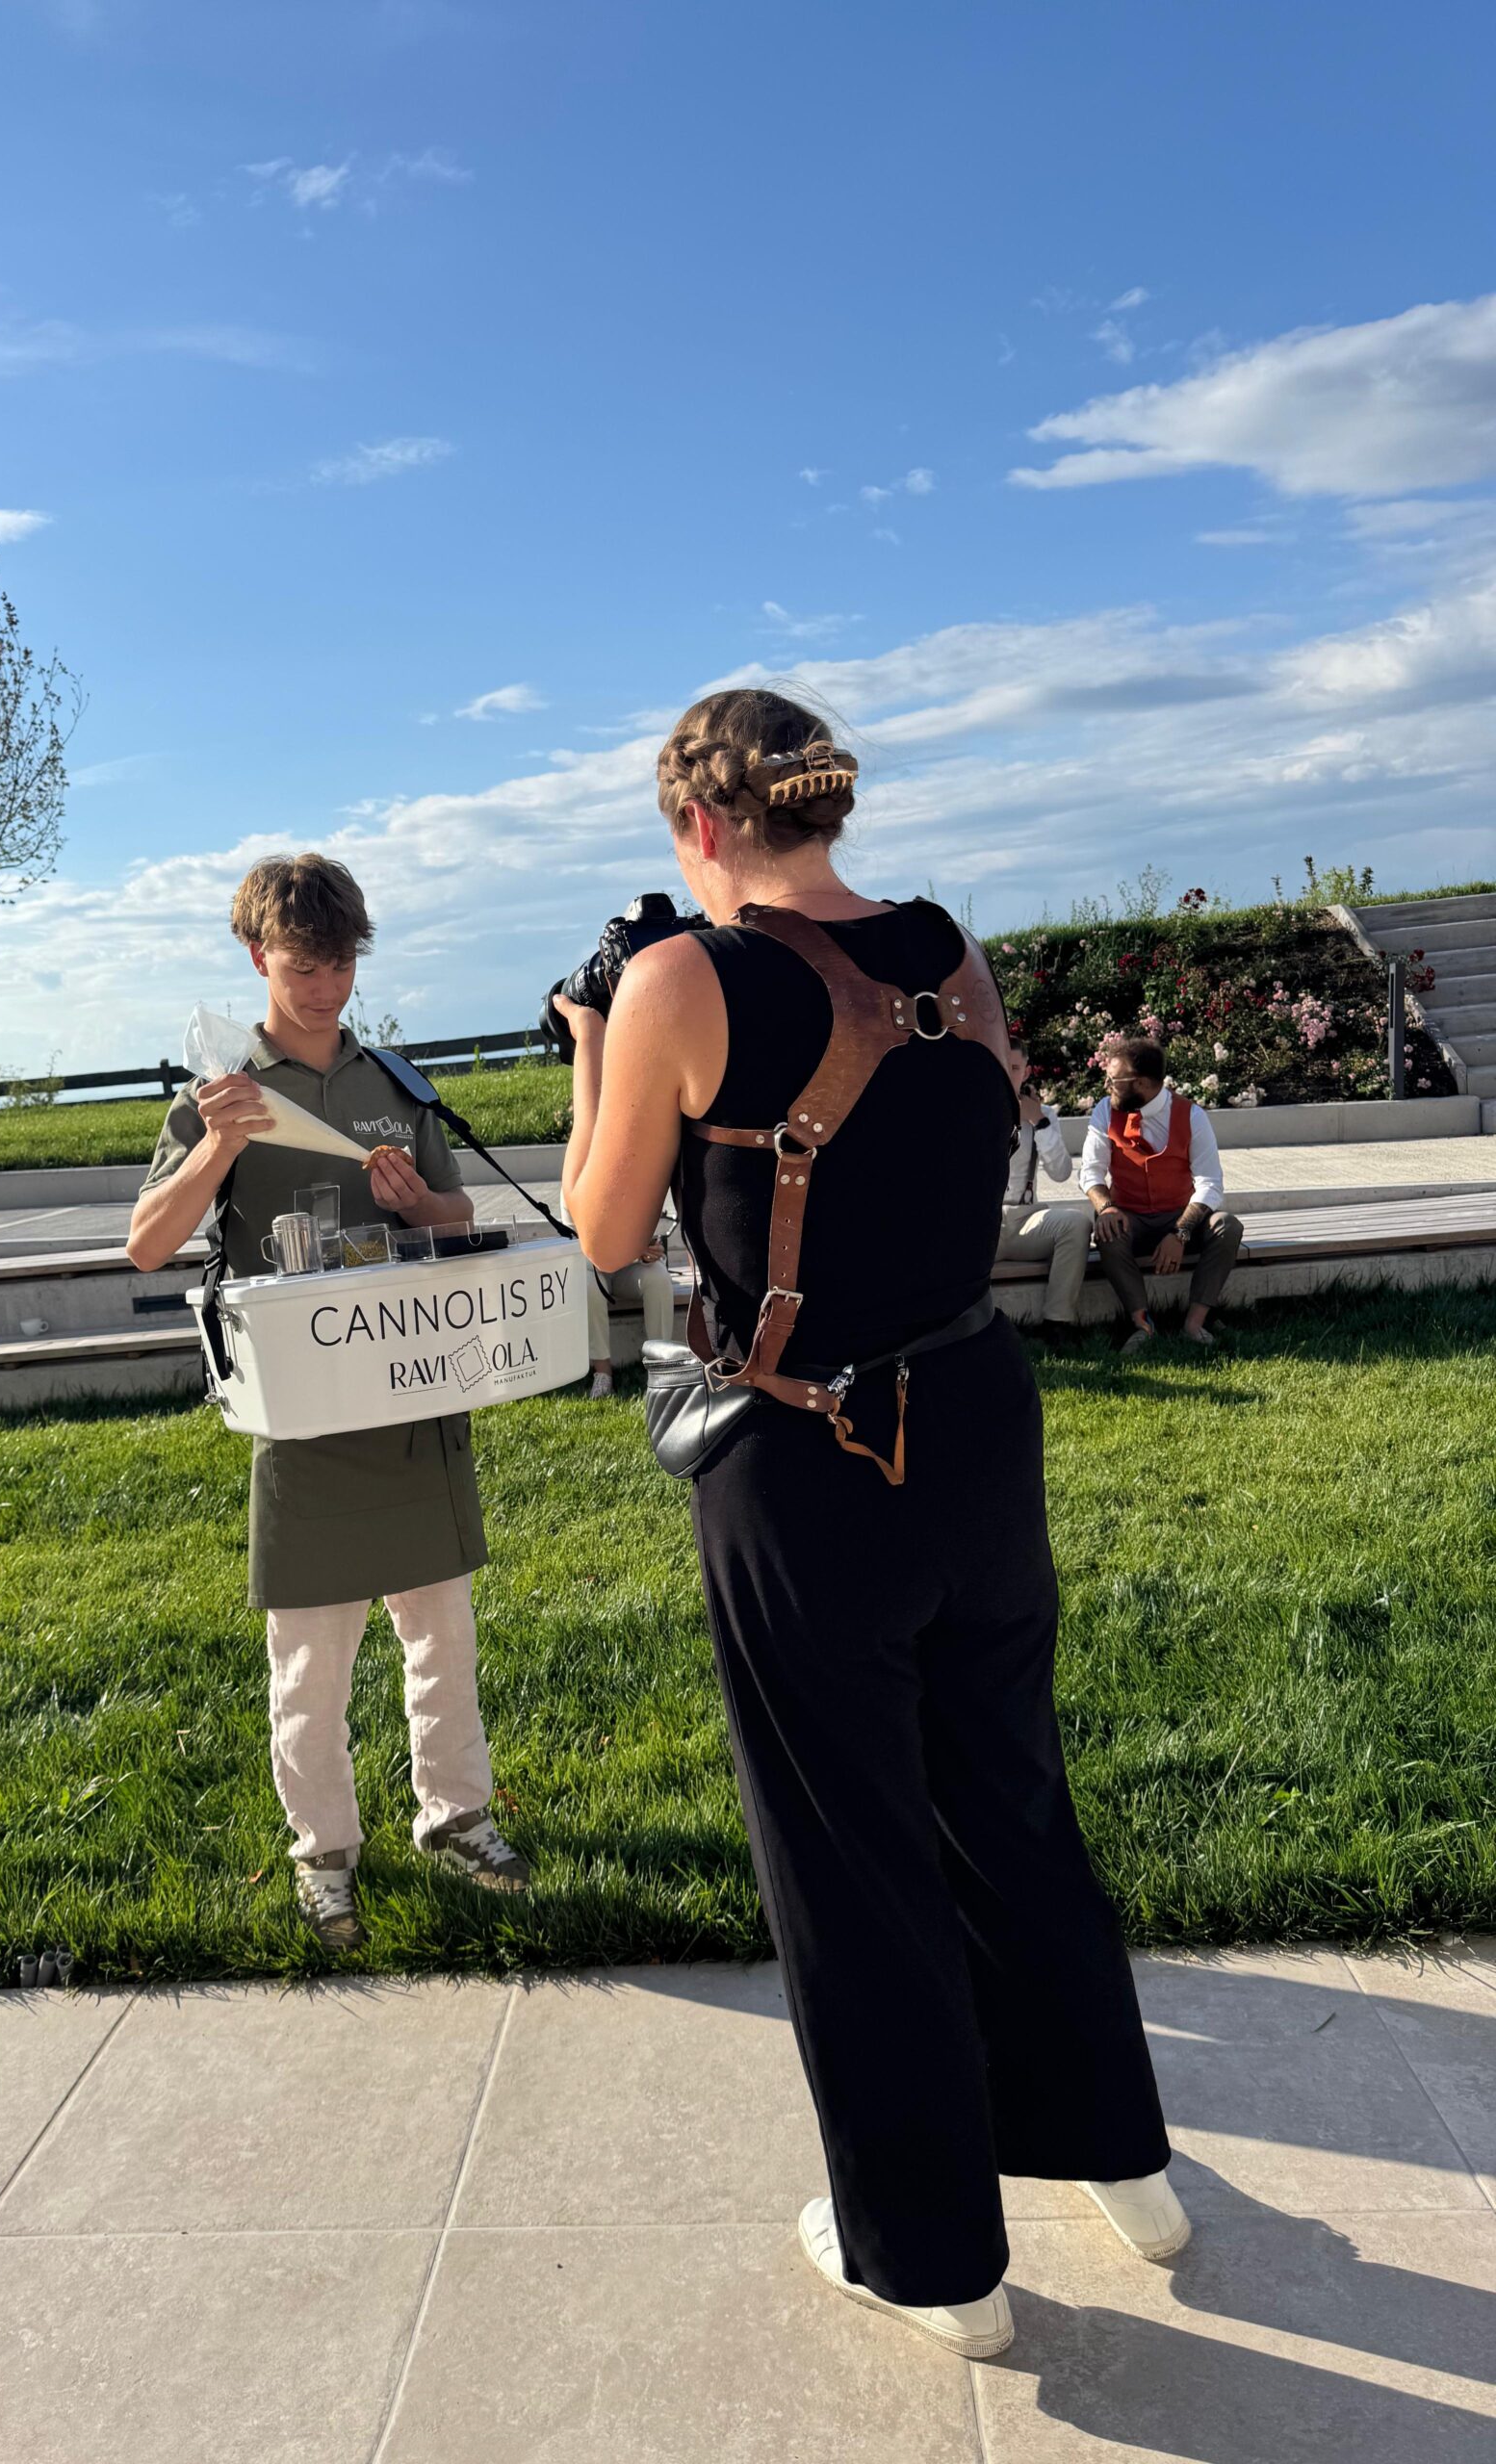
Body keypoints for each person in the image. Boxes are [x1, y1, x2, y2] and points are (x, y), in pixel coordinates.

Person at [557, 688, 1181, 2361]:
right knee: (1011, 1798)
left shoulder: (681, 978)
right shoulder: (944, 945)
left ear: (699, 823)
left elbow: (605, 1231)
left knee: (850, 1855)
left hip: (810, 1452)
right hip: (976, 1416)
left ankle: (933, 2259)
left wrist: (594, 1037)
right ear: (822, 802)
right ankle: (1121, 2158)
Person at [126, 853, 530, 1951]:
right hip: (303, 1417)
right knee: (309, 1660)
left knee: (443, 1635)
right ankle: (325, 1855)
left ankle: (457, 1818)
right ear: (256, 956)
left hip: (413, 1399)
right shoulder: (220, 1096)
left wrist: (422, 1203)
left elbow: (459, 1218)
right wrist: (218, 1145)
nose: (327, 987)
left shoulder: (395, 1085)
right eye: (305, 966)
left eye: (343, 963)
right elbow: (148, 1244)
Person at [1078, 1037, 1245, 1356]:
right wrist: (1107, 1208)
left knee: (1228, 1226)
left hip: (1179, 1216)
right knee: (1107, 1231)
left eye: (1113, 1080)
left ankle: (1195, 1323)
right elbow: (1090, 1172)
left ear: (1140, 1083)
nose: (1107, 1086)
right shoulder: (1104, 1111)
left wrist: (1180, 1233)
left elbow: (1210, 1183)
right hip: (1129, 1217)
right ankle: (1142, 1325)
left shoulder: (1192, 1115)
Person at [999, 1037, 1090, 1340]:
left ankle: (1057, 1323)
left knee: (1076, 1223)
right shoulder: (974, 1111)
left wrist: (1038, 1122)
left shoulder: (1044, 1115)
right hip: (985, 1223)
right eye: (1002, 1065)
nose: (1007, 1074)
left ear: (1026, 1072)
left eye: (1015, 1068)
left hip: (1026, 1219)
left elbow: (1061, 1173)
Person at [581, 1237, 678, 1398]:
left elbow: (645, 1235)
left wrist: (650, 1251)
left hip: (628, 1267)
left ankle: (661, 1369)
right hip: (591, 1268)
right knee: (589, 1287)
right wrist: (634, 1249)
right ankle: (603, 1373)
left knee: (659, 1277)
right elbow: (588, 1242)